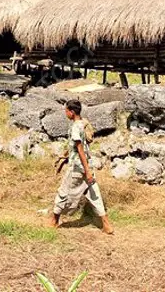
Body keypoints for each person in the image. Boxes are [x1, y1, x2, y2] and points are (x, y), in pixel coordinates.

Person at [47, 100, 113, 235]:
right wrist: (64, 156)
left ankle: (54, 220)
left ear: (71, 112)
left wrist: (86, 170)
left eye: (66, 111)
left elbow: (80, 148)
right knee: (95, 195)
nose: (65, 113)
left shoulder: (75, 128)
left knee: (64, 192)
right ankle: (106, 224)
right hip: (87, 165)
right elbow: (75, 147)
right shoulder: (82, 124)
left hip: (77, 168)